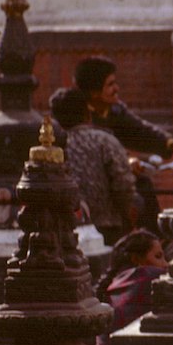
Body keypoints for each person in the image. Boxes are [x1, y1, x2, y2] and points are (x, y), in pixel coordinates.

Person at [49, 87, 135, 246]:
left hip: (62, 230)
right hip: (107, 227)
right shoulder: (105, 141)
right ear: (86, 113)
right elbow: (124, 185)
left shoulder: (49, 148)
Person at [73, 55, 173, 161]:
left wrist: (172, 144)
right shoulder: (77, 118)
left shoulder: (115, 111)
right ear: (94, 92)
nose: (117, 88)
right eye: (110, 85)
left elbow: (140, 131)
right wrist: (126, 161)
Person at [94, 230, 168, 345]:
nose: (165, 264)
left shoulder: (114, 284)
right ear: (136, 259)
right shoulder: (148, 275)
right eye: (158, 256)